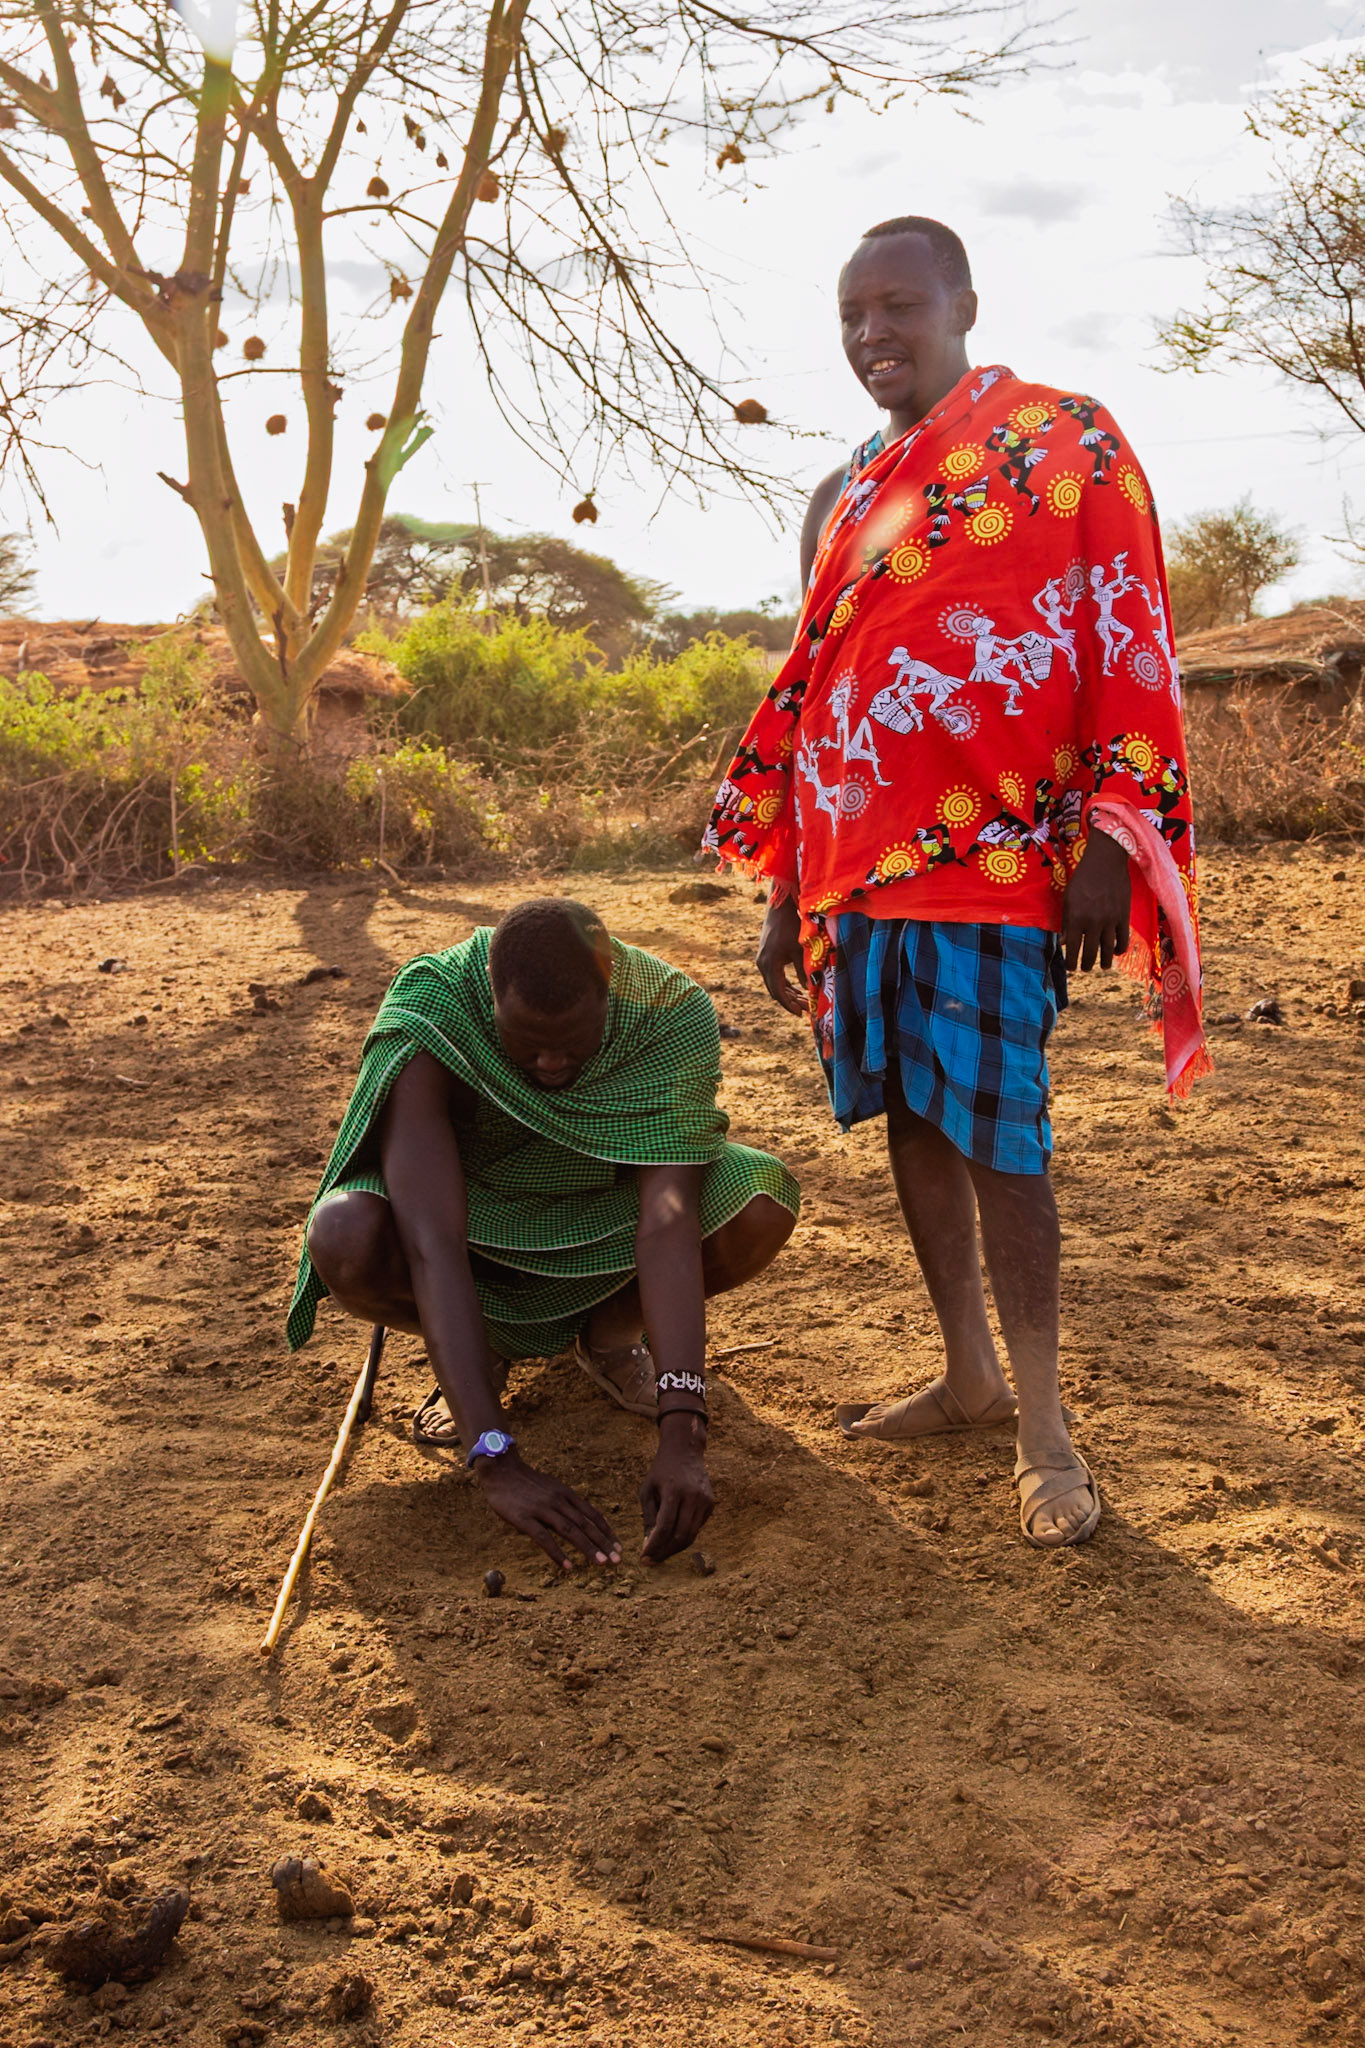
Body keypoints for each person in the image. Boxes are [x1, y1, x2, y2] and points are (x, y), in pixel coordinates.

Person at [705, 215, 1209, 1550]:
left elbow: (1126, 623)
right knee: (913, 1127)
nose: (874, 333)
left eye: (897, 306)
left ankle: (1047, 1431)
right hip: (855, 871)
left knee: (1002, 1138)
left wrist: (1111, 832)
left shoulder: (1067, 440)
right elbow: (820, 699)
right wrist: (783, 894)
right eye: (850, 315)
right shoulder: (841, 492)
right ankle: (968, 1375)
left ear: (964, 303)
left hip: (994, 859)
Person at [288, 899, 799, 1569]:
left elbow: (666, 1222)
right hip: (473, 1228)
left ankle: (610, 1340)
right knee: (344, 1233)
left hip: (596, 1212)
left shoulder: (669, 1012)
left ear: (609, 990)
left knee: (755, 1200)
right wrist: (493, 1455)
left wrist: (684, 1431)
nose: (552, 1062)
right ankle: (480, 1361)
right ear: (488, 997)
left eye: (573, 1039)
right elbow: (431, 1242)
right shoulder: (436, 1007)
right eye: (526, 1043)